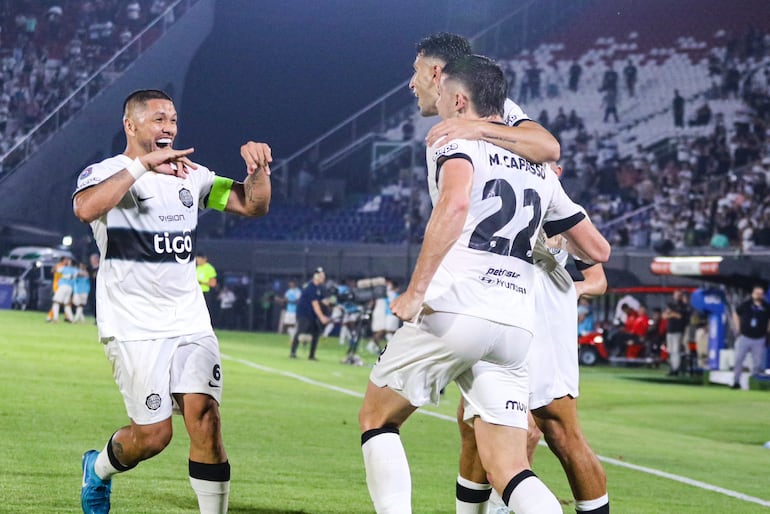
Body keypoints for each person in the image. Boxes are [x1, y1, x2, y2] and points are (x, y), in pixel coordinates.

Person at [358, 53, 610, 514]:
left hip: (458, 305)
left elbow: (453, 206)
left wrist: (415, 291)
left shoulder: (452, 138)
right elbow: (597, 250)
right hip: (516, 325)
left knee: (377, 419)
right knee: (510, 468)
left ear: (456, 96)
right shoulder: (537, 165)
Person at [73, 88, 272, 514]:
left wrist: (257, 170)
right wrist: (142, 167)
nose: (169, 128)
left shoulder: (193, 175)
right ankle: (99, 469)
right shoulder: (105, 172)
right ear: (131, 125)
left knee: (206, 418)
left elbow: (251, 205)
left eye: (174, 120)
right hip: (133, 327)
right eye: (159, 119)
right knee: (154, 437)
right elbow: (86, 209)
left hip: (189, 320)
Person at [456, 166, 612, 514]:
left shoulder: (561, 209)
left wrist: (571, 292)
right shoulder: (502, 191)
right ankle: (501, 506)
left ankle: (503, 506)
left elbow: (598, 276)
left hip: (540, 319)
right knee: (478, 426)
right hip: (502, 306)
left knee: (554, 432)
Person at [731, 285, 770, 389]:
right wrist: (737, 327)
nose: (759, 296)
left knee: (757, 362)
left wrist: (768, 331)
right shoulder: (746, 305)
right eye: (757, 293)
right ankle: (736, 382)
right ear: (753, 294)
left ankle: (754, 382)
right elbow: (735, 313)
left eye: (761, 294)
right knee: (739, 359)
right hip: (745, 336)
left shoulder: (766, 307)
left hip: (759, 338)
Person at [289, 267, 329, 360]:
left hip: (312, 315)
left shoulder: (320, 288)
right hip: (304, 314)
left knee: (316, 333)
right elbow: (315, 304)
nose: (323, 278)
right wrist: (322, 317)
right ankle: (293, 352)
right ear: (316, 276)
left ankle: (311, 355)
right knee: (300, 331)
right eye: (322, 276)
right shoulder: (310, 287)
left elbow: (324, 301)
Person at [662, 290, 691, 375]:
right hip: (670, 330)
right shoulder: (671, 304)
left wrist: (671, 314)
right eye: (676, 294)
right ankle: (672, 367)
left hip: (678, 331)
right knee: (670, 351)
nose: (677, 296)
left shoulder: (682, 306)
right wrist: (672, 314)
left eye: (679, 295)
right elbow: (664, 316)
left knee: (676, 351)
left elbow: (679, 316)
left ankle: (676, 369)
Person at [51, 257, 76, 323]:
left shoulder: (64, 268)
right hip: (70, 288)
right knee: (66, 304)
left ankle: (55, 318)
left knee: (56, 301)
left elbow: (54, 270)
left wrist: (56, 266)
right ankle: (72, 319)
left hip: (63, 286)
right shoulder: (75, 270)